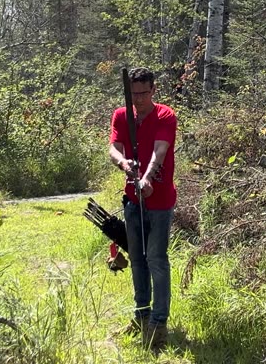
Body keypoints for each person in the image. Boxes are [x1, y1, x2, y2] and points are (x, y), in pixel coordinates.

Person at [108, 66, 177, 350]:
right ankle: (141, 315)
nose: (138, 99)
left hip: (159, 201)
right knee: (137, 259)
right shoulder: (122, 115)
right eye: (133, 93)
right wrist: (124, 164)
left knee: (156, 260)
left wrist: (147, 177)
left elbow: (160, 150)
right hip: (132, 200)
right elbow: (114, 147)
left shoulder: (165, 115)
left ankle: (158, 324)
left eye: (143, 93)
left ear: (153, 90)